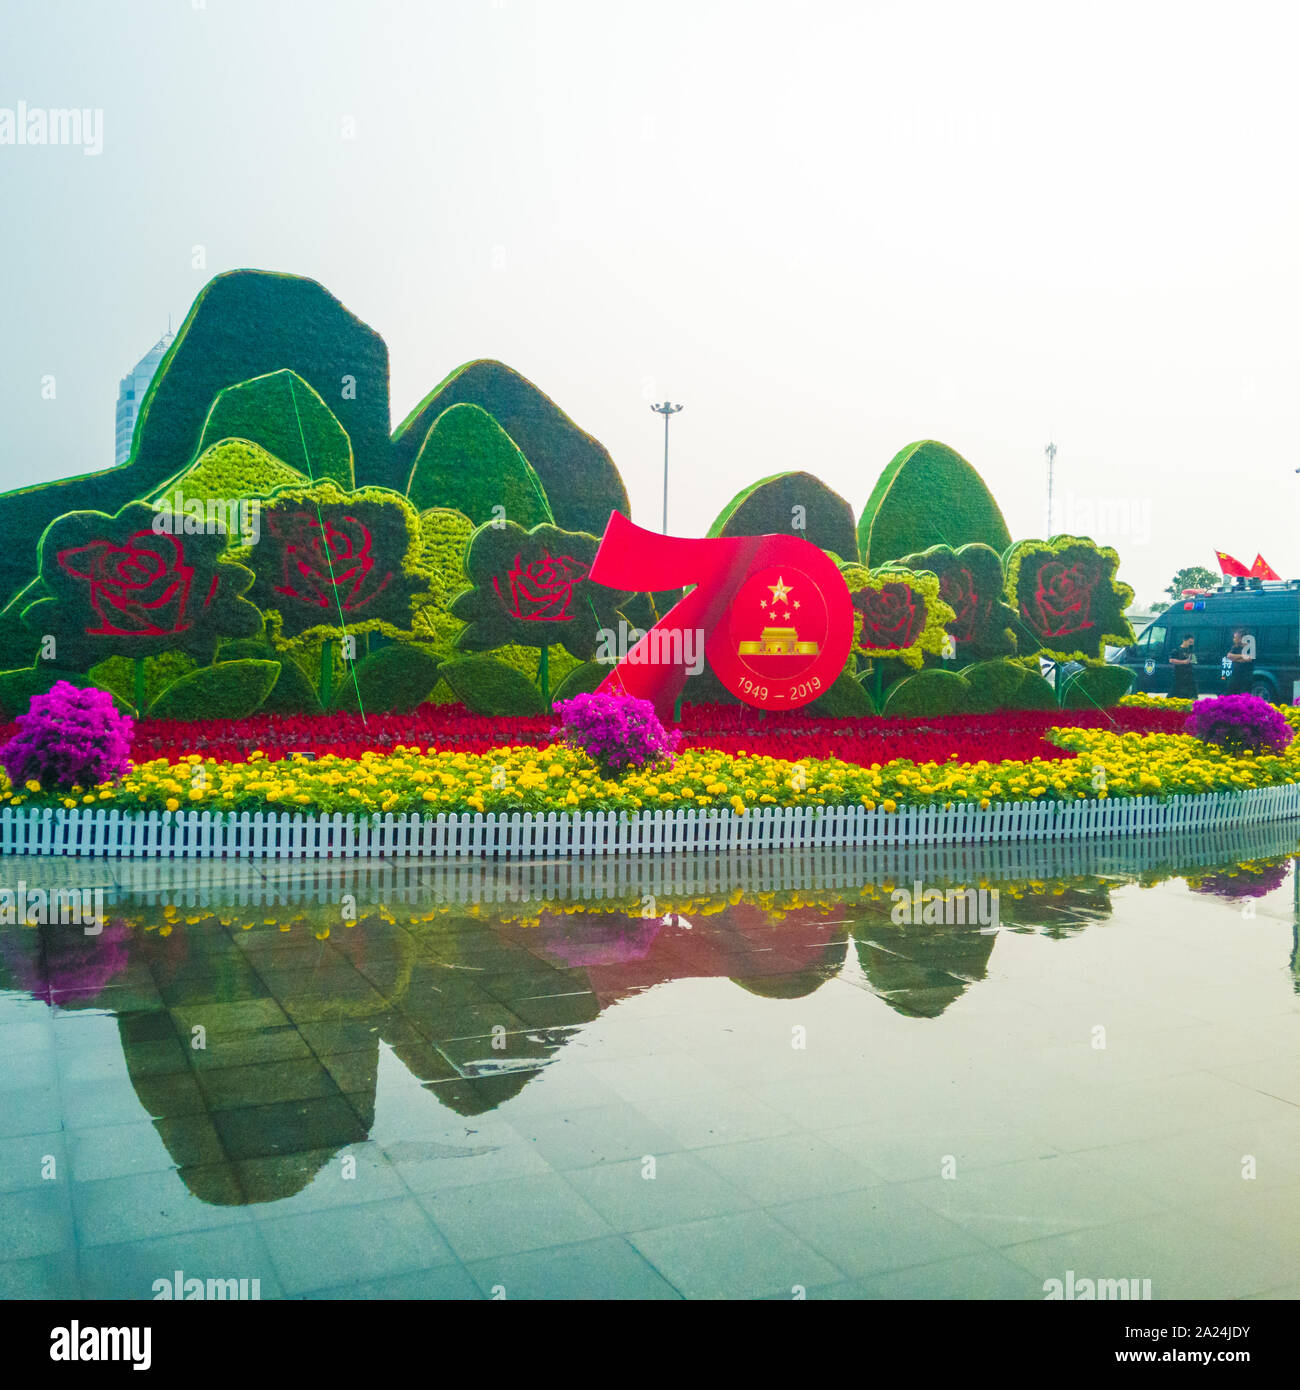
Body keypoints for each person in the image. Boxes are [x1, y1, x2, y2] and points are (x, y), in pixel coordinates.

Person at [1222, 627, 1256, 693]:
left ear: (1241, 638)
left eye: (1235, 637)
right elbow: (1229, 656)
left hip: (1246, 678)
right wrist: (1242, 656)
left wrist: (1235, 658)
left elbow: (1249, 659)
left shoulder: (1250, 647)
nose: (1233, 639)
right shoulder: (1235, 647)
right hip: (1235, 677)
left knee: (1244, 696)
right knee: (1230, 695)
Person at [1169, 633, 1197, 699]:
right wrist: (1183, 662)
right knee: (1175, 694)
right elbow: (1171, 660)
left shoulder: (1191, 650)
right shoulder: (1176, 650)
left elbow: (1193, 661)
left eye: (1192, 642)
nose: (1191, 644)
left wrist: (1193, 660)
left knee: (1191, 695)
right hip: (1179, 675)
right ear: (1184, 640)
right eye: (1190, 642)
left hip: (1189, 676)